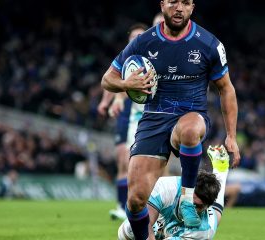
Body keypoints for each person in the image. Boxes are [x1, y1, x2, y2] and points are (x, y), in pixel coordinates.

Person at [101, 0, 240, 238]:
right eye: (173, 2)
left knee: (189, 130)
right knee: (135, 201)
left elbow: (226, 89)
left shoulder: (209, 44)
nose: (179, 8)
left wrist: (231, 136)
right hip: (154, 120)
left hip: (191, 115)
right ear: (163, 4)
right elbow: (107, 79)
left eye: (185, 3)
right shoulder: (144, 41)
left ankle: (187, 198)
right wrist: (126, 83)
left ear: (193, 7)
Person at [118, 145, 230, 240]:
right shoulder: (165, 187)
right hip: (165, 212)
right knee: (127, 232)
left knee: (214, 219)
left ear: (206, 207)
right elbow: (145, 226)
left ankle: (221, 170)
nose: (192, 209)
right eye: (191, 202)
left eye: (198, 206)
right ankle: (221, 169)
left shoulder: (203, 231)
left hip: (193, 229)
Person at [98, 22, 149, 220]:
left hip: (149, 113)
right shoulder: (126, 57)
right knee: (122, 158)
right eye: (133, 35)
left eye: (140, 35)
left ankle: (150, 205)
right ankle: (122, 205)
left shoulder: (151, 59)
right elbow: (110, 80)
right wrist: (107, 102)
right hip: (128, 113)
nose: (136, 39)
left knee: (149, 164)